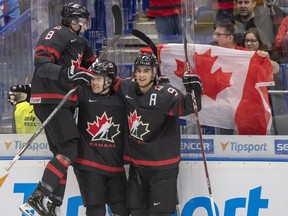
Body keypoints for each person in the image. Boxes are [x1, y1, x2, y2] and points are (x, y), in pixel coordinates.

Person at [18, 2, 96, 216]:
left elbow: (92, 67)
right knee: (70, 148)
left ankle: (53, 204)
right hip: (50, 99)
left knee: (63, 153)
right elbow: (42, 65)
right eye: (82, 20)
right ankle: (38, 196)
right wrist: (68, 74)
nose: (85, 24)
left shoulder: (80, 42)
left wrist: (96, 69)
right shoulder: (57, 33)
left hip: (65, 100)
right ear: (72, 20)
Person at [114, 52, 202, 216]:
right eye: (138, 70)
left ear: (154, 73)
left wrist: (195, 91)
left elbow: (189, 107)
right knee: (136, 212)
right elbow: (108, 83)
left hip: (162, 168)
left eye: (146, 71)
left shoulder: (167, 93)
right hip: (137, 167)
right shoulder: (127, 88)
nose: (141, 75)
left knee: (159, 213)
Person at [73, 60, 130, 216]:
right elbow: (59, 95)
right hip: (89, 164)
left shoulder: (122, 97)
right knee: (96, 209)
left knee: (122, 210)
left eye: (98, 78)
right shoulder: (83, 93)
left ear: (110, 80)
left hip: (115, 166)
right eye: (92, 78)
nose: (93, 82)